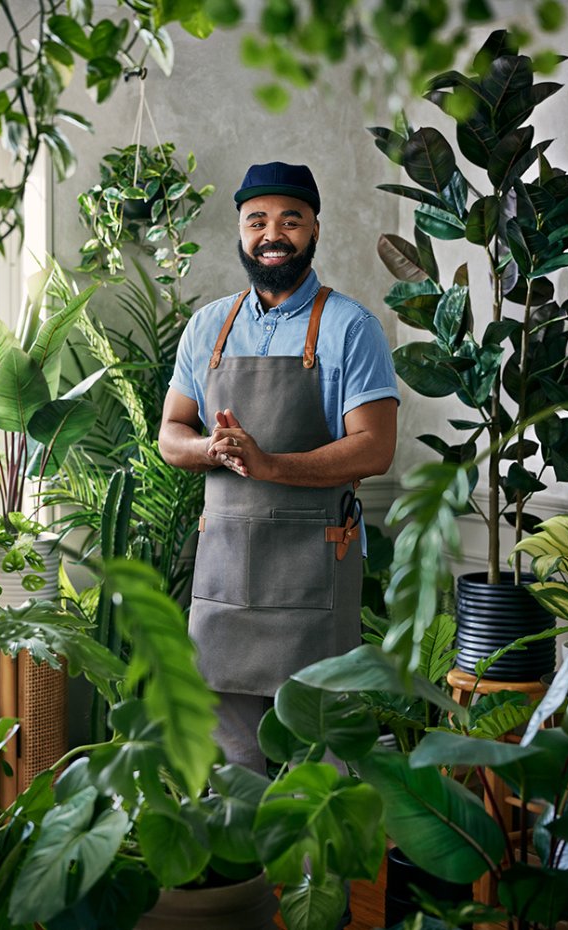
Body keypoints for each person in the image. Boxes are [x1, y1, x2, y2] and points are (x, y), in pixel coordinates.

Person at [159, 161, 400, 774]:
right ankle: (249, 876)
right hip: (225, 582)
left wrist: (268, 464)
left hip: (312, 578)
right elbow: (171, 436)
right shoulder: (207, 326)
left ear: (315, 229)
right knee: (230, 769)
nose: (273, 234)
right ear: (240, 231)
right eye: (257, 220)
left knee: (323, 767)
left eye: (290, 220)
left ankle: (321, 876)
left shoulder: (351, 327)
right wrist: (212, 451)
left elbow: (374, 449)